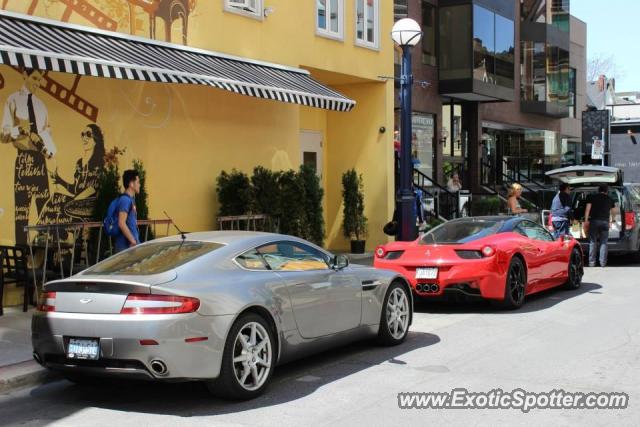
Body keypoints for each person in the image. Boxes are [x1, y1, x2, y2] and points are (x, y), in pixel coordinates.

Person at [1, 68, 56, 244]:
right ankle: (21, 261)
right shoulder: (13, 100)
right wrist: (20, 130)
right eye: (34, 78)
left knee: (44, 213)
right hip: (24, 161)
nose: (36, 83)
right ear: (24, 74)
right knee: (21, 214)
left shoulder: (42, 106)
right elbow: (3, 134)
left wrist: (46, 145)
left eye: (39, 80)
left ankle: (44, 258)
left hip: (40, 162)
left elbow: (48, 133)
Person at [584, 184, 616, 267]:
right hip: (605, 222)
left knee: (592, 242)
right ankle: (602, 263)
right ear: (607, 191)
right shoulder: (610, 199)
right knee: (604, 242)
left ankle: (591, 262)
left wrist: (586, 220)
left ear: (599, 190)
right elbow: (614, 211)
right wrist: (612, 220)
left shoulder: (592, 197)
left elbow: (588, 209)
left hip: (594, 221)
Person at [115, 169, 141, 253]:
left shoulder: (130, 199)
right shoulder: (125, 200)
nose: (139, 185)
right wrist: (132, 241)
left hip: (130, 246)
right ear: (131, 184)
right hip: (126, 247)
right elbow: (121, 223)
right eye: (138, 182)